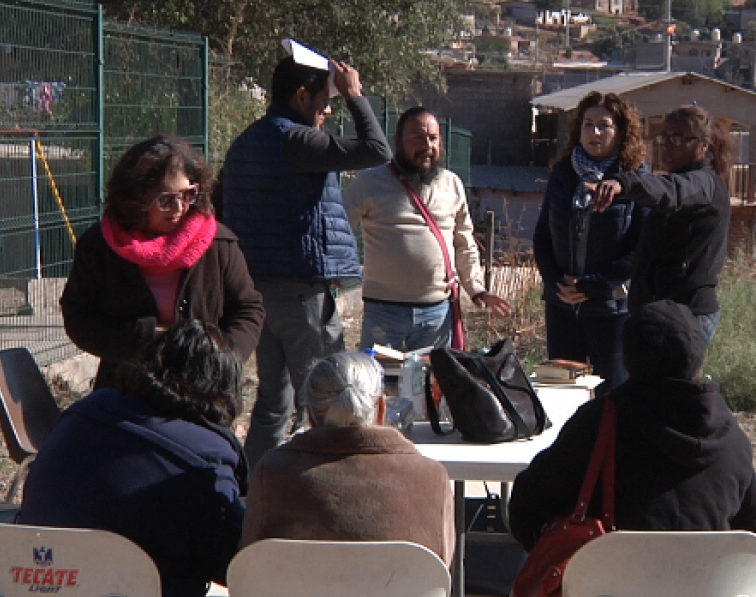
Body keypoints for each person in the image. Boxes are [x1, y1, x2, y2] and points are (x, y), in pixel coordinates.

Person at [218, 55, 392, 468]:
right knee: (333, 403)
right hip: (302, 297)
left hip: (257, 296)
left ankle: (249, 491)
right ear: (300, 95)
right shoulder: (297, 141)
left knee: (273, 405)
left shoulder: (245, 142)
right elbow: (377, 150)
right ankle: (331, 491)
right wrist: (354, 94)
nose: (328, 110)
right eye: (324, 99)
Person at [18, 320, 249, 597]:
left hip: (38, 588)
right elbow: (234, 566)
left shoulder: (82, 415)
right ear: (225, 392)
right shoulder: (204, 462)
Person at [508, 299, 756, 553]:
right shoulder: (732, 441)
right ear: (699, 362)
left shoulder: (599, 423)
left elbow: (525, 509)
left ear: (627, 360)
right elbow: (747, 537)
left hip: (605, 587)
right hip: (706, 588)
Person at [61, 133, 264, 391]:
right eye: (166, 200)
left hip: (203, 393)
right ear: (136, 200)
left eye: (189, 194)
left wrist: (220, 359)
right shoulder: (100, 247)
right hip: (125, 392)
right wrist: (146, 338)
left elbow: (249, 309)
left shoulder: (218, 244)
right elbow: (79, 317)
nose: (179, 208)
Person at [241, 351, 455, 565]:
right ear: (382, 409)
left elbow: (249, 566)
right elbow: (443, 571)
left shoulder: (271, 475)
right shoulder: (431, 479)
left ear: (311, 416)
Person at [343, 106, 510, 351]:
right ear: (398, 141)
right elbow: (338, 229)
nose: (427, 146)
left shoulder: (451, 184)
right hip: (384, 313)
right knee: (380, 386)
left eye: (433, 138)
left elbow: (464, 244)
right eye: (417, 138)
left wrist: (477, 290)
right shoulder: (369, 183)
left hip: (437, 315)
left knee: (431, 386)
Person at [533, 92, 649, 396]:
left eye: (604, 126)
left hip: (609, 308)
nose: (594, 133)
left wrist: (592, 286)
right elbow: (542, 237)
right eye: (588, 125)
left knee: (611, 395)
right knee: (564, 393)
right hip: (562, 304)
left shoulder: (634, 180)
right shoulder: (563, 174)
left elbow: (640, 248)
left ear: (621, 132)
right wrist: (558, 282)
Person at [589, 104, 733, 344]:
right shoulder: (675, 181)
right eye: (664, 136)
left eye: (678, 138)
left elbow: (672, 191)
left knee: (674, 382)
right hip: (657, 313)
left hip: (688, 316)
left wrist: (624, 184)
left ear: (703, 145)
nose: (666, 145)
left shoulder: (704, 183)